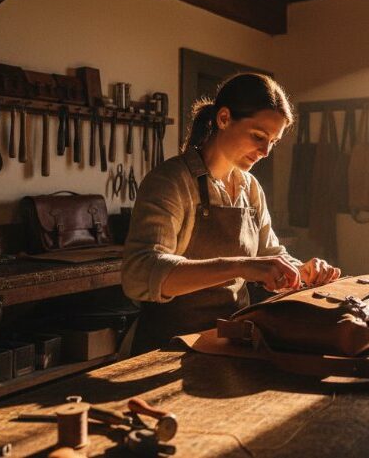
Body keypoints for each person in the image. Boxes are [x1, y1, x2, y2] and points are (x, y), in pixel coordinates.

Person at [122, 73, 341, 352]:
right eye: (259, 136)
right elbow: (139, 273)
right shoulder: (171, 182)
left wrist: (300, 270)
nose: (265, 151)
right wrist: (240, 266)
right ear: (223, 119)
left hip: (231, 341)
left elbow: (268, 252)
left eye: (273, 142)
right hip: (167, 347)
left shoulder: (249, 188)